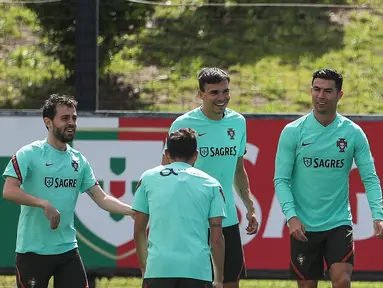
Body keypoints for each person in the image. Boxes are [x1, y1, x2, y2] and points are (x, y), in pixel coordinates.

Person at [2, 94, 134, 288]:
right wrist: (43, 203)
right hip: (32, 251)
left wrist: (132, 211)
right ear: (48, 122)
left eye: (74, 118)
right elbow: (9, 191)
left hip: (67, 249)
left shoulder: (79, 161)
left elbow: (102, 198)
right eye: (65, 118)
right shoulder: (29, 154)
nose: (71, 123)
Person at [273, 68, 383, 288]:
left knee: (342, 280)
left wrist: (378, 215)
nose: (320, 96)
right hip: (303, 225)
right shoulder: (293, 131)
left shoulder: (353, 133)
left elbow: (370, 178)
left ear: (339, 94)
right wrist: (291, 217)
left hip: (338, 222)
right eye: (316, 89)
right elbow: (281, 180)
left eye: (327, 91)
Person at [161, 67, 258, 288]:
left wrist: (249, 207)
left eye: (225, 91)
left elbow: (238, 169)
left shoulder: (238, 122)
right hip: (191, 219)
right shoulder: (182, 125)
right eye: (214, 92)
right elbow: (166, 172)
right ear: (201, 94)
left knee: (229, 282)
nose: (221, 98)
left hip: (226, 217)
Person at [133, 128, 226, 288]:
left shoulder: (148, 178)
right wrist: (219, 278)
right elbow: (217, 237)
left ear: (167, 154)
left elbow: (139, 229)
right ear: (196, 155)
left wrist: (145, 267)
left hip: (158, 269)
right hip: (197, 270)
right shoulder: (212, 184)